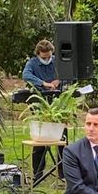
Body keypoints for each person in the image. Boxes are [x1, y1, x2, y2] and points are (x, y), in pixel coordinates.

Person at [22, 39, 63, 181]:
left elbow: (69, 73)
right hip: (40, 102)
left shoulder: (58, 61)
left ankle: (62, 173)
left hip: (59, 103)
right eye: (43, 57)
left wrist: (58, 80)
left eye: (49, 57)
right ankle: (38, 173)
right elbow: (26, 75)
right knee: (41, 139)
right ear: (38, 54)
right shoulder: (32, 63)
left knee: (61, 138)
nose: (47, 59)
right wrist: (43, 83)